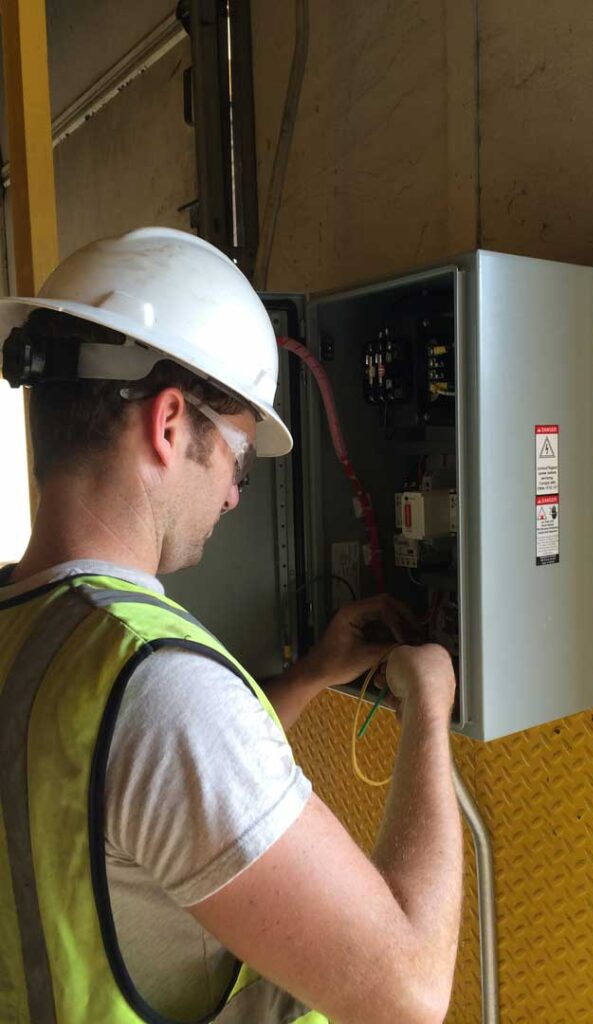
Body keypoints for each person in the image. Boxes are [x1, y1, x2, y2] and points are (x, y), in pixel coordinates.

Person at [0, 227, 462, 1024]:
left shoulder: (32, 636)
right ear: (170, 423)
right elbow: (409, 992)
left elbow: (141, 799)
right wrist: (430, 705)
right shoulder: (157, 687)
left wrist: (312, 674)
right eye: (240, 460)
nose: (236, 497)